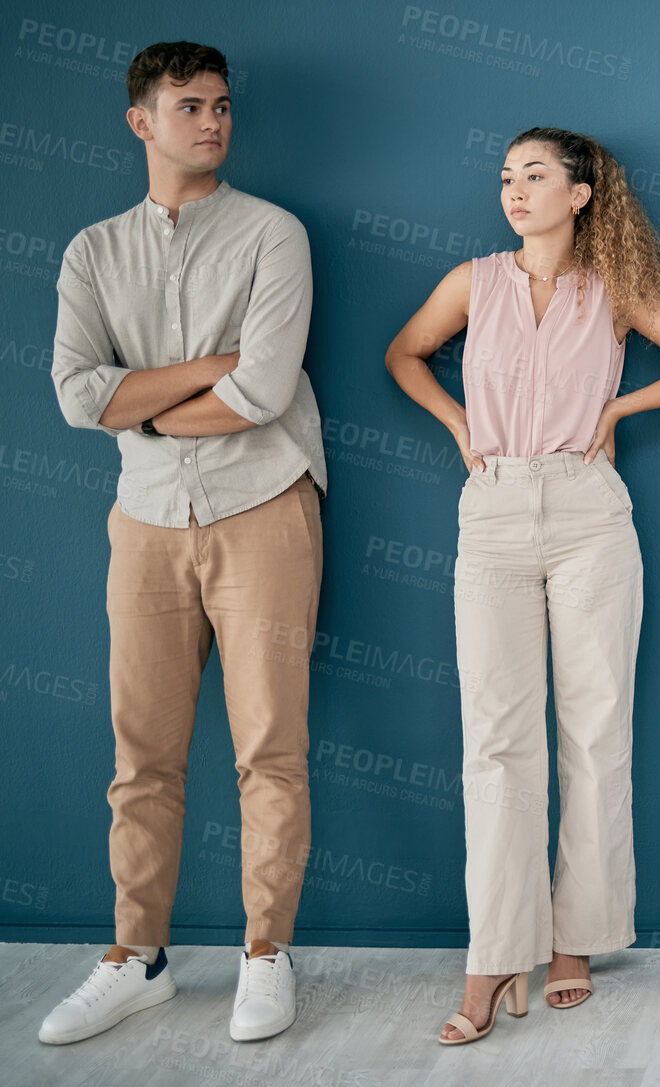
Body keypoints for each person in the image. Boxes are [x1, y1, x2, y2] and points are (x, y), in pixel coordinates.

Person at [384, 126, 660, 1044]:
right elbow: (403, 354)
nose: (515, 189)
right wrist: (460, 426)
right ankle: (495, 952)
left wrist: (618, 406)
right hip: (492, 509)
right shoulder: (474, 281)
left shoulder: (613, 290)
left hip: (588, 514)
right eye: (505, 176)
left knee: (594, 730)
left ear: (581, 194)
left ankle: (576, 938)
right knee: (495, 742)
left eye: (535, 175)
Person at [42, 41, 326, 1045]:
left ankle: (265, 952)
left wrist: (148, 405)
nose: (212, 120)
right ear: (142, 122)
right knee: (142, 756)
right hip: (147, 521)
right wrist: (205, 368)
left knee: (270, 751)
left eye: (221, 106)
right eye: (189, 105)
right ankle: (138, 956)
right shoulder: (92, 252)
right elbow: (77, 396)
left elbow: (262, 392)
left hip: (265, 509)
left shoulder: (273, 234)